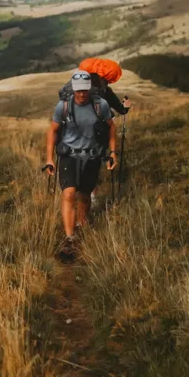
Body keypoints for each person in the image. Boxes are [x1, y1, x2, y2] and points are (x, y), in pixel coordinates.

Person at [44, 69, 117, 257]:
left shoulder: (101, 106)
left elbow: (111, 127)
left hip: (91, 156)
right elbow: (52, 131)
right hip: (69, 155)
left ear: (90, 89)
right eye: (78, 90)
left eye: (85, 90)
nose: (82, 94)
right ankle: (69, 238)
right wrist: (49, 159)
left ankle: (82, 227)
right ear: (73, 89)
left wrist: (113, 152)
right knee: (68, 193)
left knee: (84, 196)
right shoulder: (63, 107)